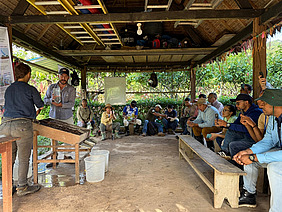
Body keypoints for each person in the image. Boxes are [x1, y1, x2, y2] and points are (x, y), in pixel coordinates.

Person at [233, 89, 282, 210]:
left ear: (276, 104)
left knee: (274, 168)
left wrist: (254, 157)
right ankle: (249, 195)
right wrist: (248, 152)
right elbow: (268, 140)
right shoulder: (272, 118)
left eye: (264, 103)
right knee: (250, 160)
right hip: (279, 152)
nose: (261, 105)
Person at [0, 63, 43, 196]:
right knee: (23, 158)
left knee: (8, 158)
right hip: (22, 126)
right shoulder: (30, 89)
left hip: (5, 125)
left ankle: (8, 187)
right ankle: (22, 186)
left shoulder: (9, 89)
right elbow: (40, 105)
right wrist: (33, 114)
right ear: (28, 74)